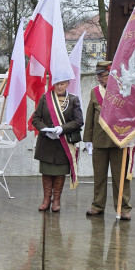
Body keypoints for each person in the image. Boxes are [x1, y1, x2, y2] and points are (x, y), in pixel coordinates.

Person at [82, 60, 132, 219]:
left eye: (102, 76)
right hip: (99, 140)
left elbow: (132, 115)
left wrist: (130, 135)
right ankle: (97, 205)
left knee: (121, 177)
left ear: (111, 75)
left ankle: (123, 208)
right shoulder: (95, 92)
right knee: (99, 176)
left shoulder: (124, 91)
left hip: (119, 141)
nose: (99, 79)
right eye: (98, 76)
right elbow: (90, 116)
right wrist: (88, 139)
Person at [31, 78, 83, 213]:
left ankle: (56, 200)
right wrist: (45, 131)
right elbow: (35, 119)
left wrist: (62, 129)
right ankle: (46, 199)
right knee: (46, 172)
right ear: (53, 84)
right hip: (46, 142)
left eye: (62, 84)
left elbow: (79, 121)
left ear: (67, 84)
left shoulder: (73, 100)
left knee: (60, 173)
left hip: (63, 142)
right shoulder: (45, 98)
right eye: (57, 84)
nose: (59, 87)